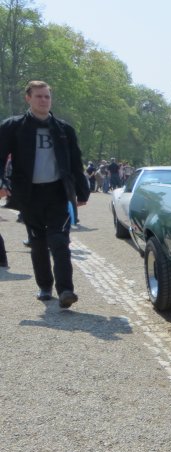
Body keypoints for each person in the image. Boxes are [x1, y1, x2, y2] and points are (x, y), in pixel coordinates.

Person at [0, 80, 90, 308]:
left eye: (47, 96)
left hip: (57, 193)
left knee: (59, 240)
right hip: (29, 194)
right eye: (39, 96)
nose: (44, 100)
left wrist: (82, 191)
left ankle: (66, 290)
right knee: (38, 243)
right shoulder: (13, 127)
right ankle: (44, 286)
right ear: (28, 98)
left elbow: (75, 163)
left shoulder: (64, 130)